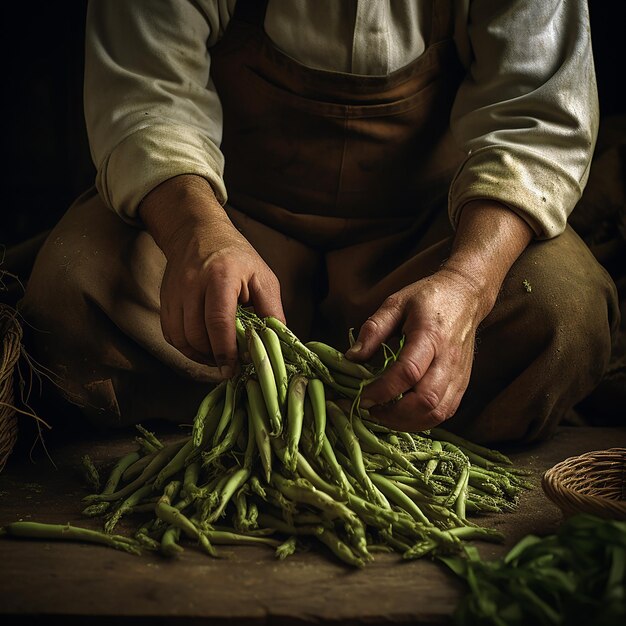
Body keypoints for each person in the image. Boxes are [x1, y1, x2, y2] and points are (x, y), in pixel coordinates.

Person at [19, 0, 619, 443]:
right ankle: (316, 400)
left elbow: (535, 121)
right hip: (232, 227)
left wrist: (468, 281)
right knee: (73, 288)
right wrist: (195, 235)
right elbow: (146, 96)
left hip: (424, 246)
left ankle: (287, 403)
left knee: (563, 309)